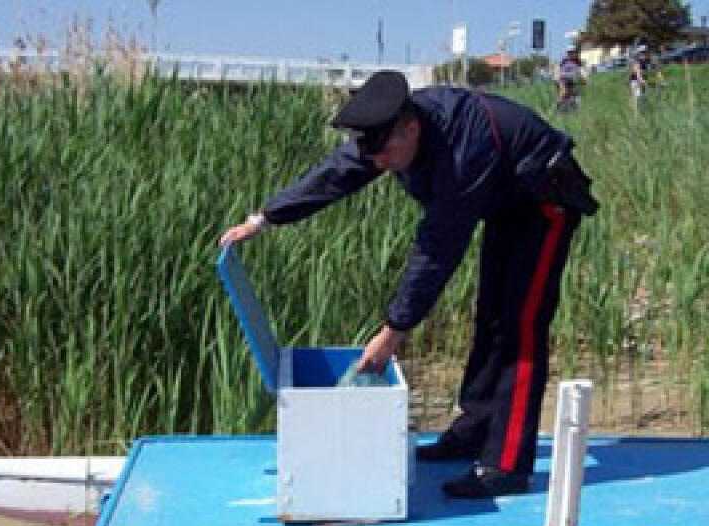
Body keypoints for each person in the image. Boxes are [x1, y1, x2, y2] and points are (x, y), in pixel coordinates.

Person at [219, 70, 598, 499]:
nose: (377, 163)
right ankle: (473, 431)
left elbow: (436, 250)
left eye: (384, 153)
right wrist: (264, 218)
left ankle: (506, 464)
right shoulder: (388, 132)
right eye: (372, 154)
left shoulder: (461, 151)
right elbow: (334, 174)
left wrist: (393, 331)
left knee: (520, 328)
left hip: (543, 202)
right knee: (490, 317)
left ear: (411, 128)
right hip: (504, 200)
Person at [555, 47, 584, 111]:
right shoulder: (564, 61)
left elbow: (581, 73)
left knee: (574, 95)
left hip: (571, 81)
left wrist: (582, 79)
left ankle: (572, 109)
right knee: (564, 92)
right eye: (570, 53)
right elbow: (557, 69)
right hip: (562, 80)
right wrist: (557, 78)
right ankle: (557, 107)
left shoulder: (578, 63)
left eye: (573, 52)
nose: (572, 54)